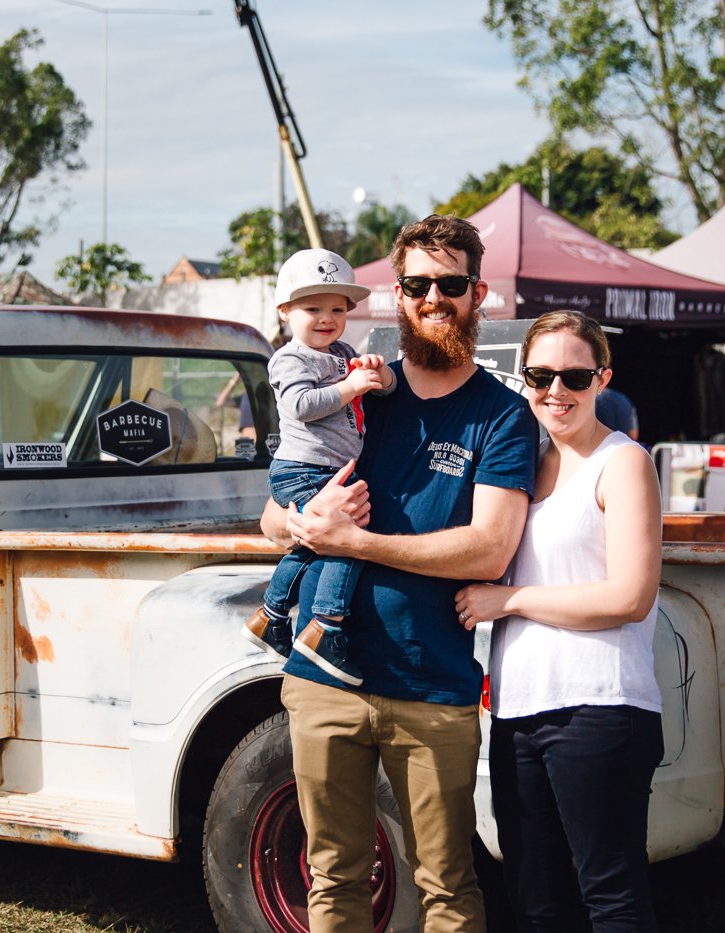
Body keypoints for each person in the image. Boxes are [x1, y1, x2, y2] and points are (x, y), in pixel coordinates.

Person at [264, 215, 538, 930]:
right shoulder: (362, 390)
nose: (434, 298)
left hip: (432, 689)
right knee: (335, 880)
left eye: (451, 284)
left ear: (479, 293)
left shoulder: (502, 415)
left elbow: (488, 550)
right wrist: (304, 523)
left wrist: (352, 542)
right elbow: (272, 516)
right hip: (324, 680)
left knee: (446, 888)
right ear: (397, 295)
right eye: (418, 283)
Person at [455, 310, 664, 932]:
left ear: (603, 378)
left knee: (611, 894)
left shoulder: (622, 463)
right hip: (519, 711)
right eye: (540, 374)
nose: (555, 391)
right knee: (535, 895)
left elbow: (630, 596)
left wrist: (510, 601)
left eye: (574, 376)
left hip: (600, 707)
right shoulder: (524, 464)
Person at [242, 247, 394, 685]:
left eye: (336, 309)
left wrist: (378, 375)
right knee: (348, 538)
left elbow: (384, 389)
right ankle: (325, 627)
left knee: (309, 545)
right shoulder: (289, 358)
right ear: (285, 311)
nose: (326, 318)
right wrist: (349, 385)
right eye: (313, 308)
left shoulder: (344, 350)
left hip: (326, 470)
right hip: (302, 468)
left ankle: (270, 618)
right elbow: (301, 404)